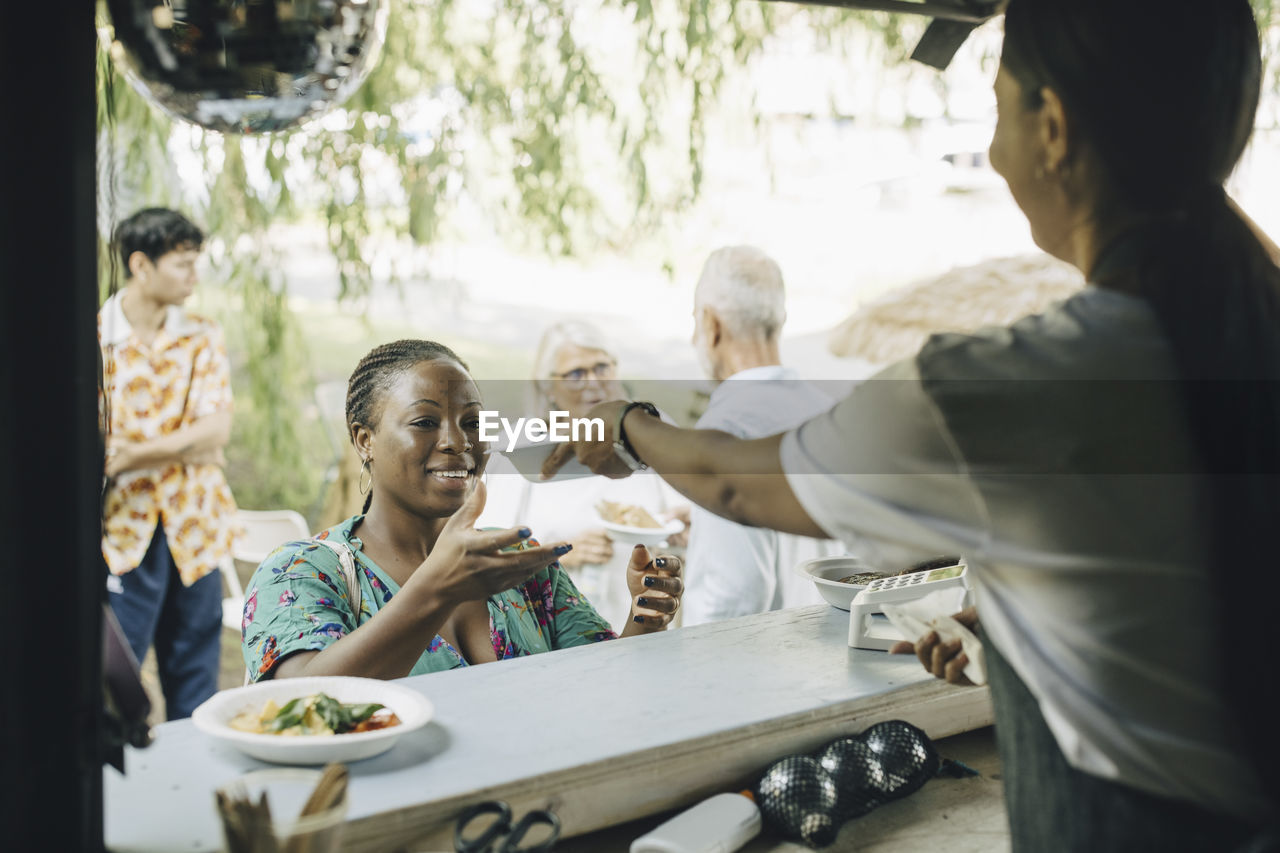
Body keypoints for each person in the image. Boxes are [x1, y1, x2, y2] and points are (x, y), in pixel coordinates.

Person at [543, 1, 1280, 848]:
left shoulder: (1016, 384)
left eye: (998, 108)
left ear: (1053, 129)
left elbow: (736, 480)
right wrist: (1020, 639)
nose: (994, 151)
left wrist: (627, 424)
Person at [240, 340, 683, 682]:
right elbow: (296, 705)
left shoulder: (518, 561)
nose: (458, 441)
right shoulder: (300, 571)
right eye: (425, 423)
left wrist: (643, 620)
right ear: (364, 440)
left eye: (472, 422)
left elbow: (595, 687)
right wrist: (438, 588)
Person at [100, 207, 240, 720]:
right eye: (182, 264)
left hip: (196, 525)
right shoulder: (96, 337)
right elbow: (96, 448)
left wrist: (135, 453)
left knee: (194, 682)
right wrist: (188, 445)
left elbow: (217, 431)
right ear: (141, 265)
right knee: (114, 676)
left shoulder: (202, 333)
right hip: (123, 532)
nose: (193, 275)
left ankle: (193, 790)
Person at [477, 321, 689, 631]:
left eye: (602, 367)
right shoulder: (521, 450)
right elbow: (487, 555)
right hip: (553, 634)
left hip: (647, 629)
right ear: (548, 386)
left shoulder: (649, 432)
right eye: (576, 374)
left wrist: (683, 530)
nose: (593, 383)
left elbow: (690, 520)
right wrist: (561, 554)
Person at [681, 245, 843, 624]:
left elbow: (732, 594)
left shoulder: (724, 433)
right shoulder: (829, 413)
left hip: (759, 672)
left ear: (710, 324)